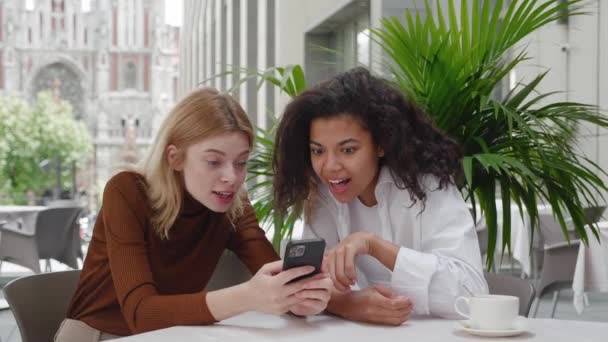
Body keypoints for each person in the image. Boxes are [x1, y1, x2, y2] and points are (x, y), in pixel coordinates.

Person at [57, 88, 332, 341]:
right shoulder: (126, 191)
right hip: (97, 334)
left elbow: (272, 277)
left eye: (241, 162)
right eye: (214, 162)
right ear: (174, 158)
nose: (231, 177)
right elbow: (141, 313)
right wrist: (249, 296)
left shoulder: (233, 203)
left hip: (175, 333)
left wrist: (299, 298)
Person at [272, 67, 488, 325]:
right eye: (318, 151)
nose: (329, 166)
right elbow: (305, 288)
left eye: (348, 150)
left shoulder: (428, 187)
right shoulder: (325, 196)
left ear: (381, 144)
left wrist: (373, 246)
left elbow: (471, 295)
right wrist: (350, 305)